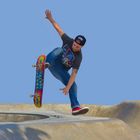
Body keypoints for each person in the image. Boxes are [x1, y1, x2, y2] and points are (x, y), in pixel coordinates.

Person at [45, 10, 89, 115]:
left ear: (81, 47)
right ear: (73, 41)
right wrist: (51, 19)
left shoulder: (79, 57)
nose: (75, 47)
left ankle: (75, 107)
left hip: (60, 71)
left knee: (74, 86)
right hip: (52, 62)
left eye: (78, 47)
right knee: (59, 49)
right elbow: (58, 29)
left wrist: (68, 87)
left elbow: (74, 74)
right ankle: (46, 63)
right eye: (74, 44)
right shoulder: (68, 40)